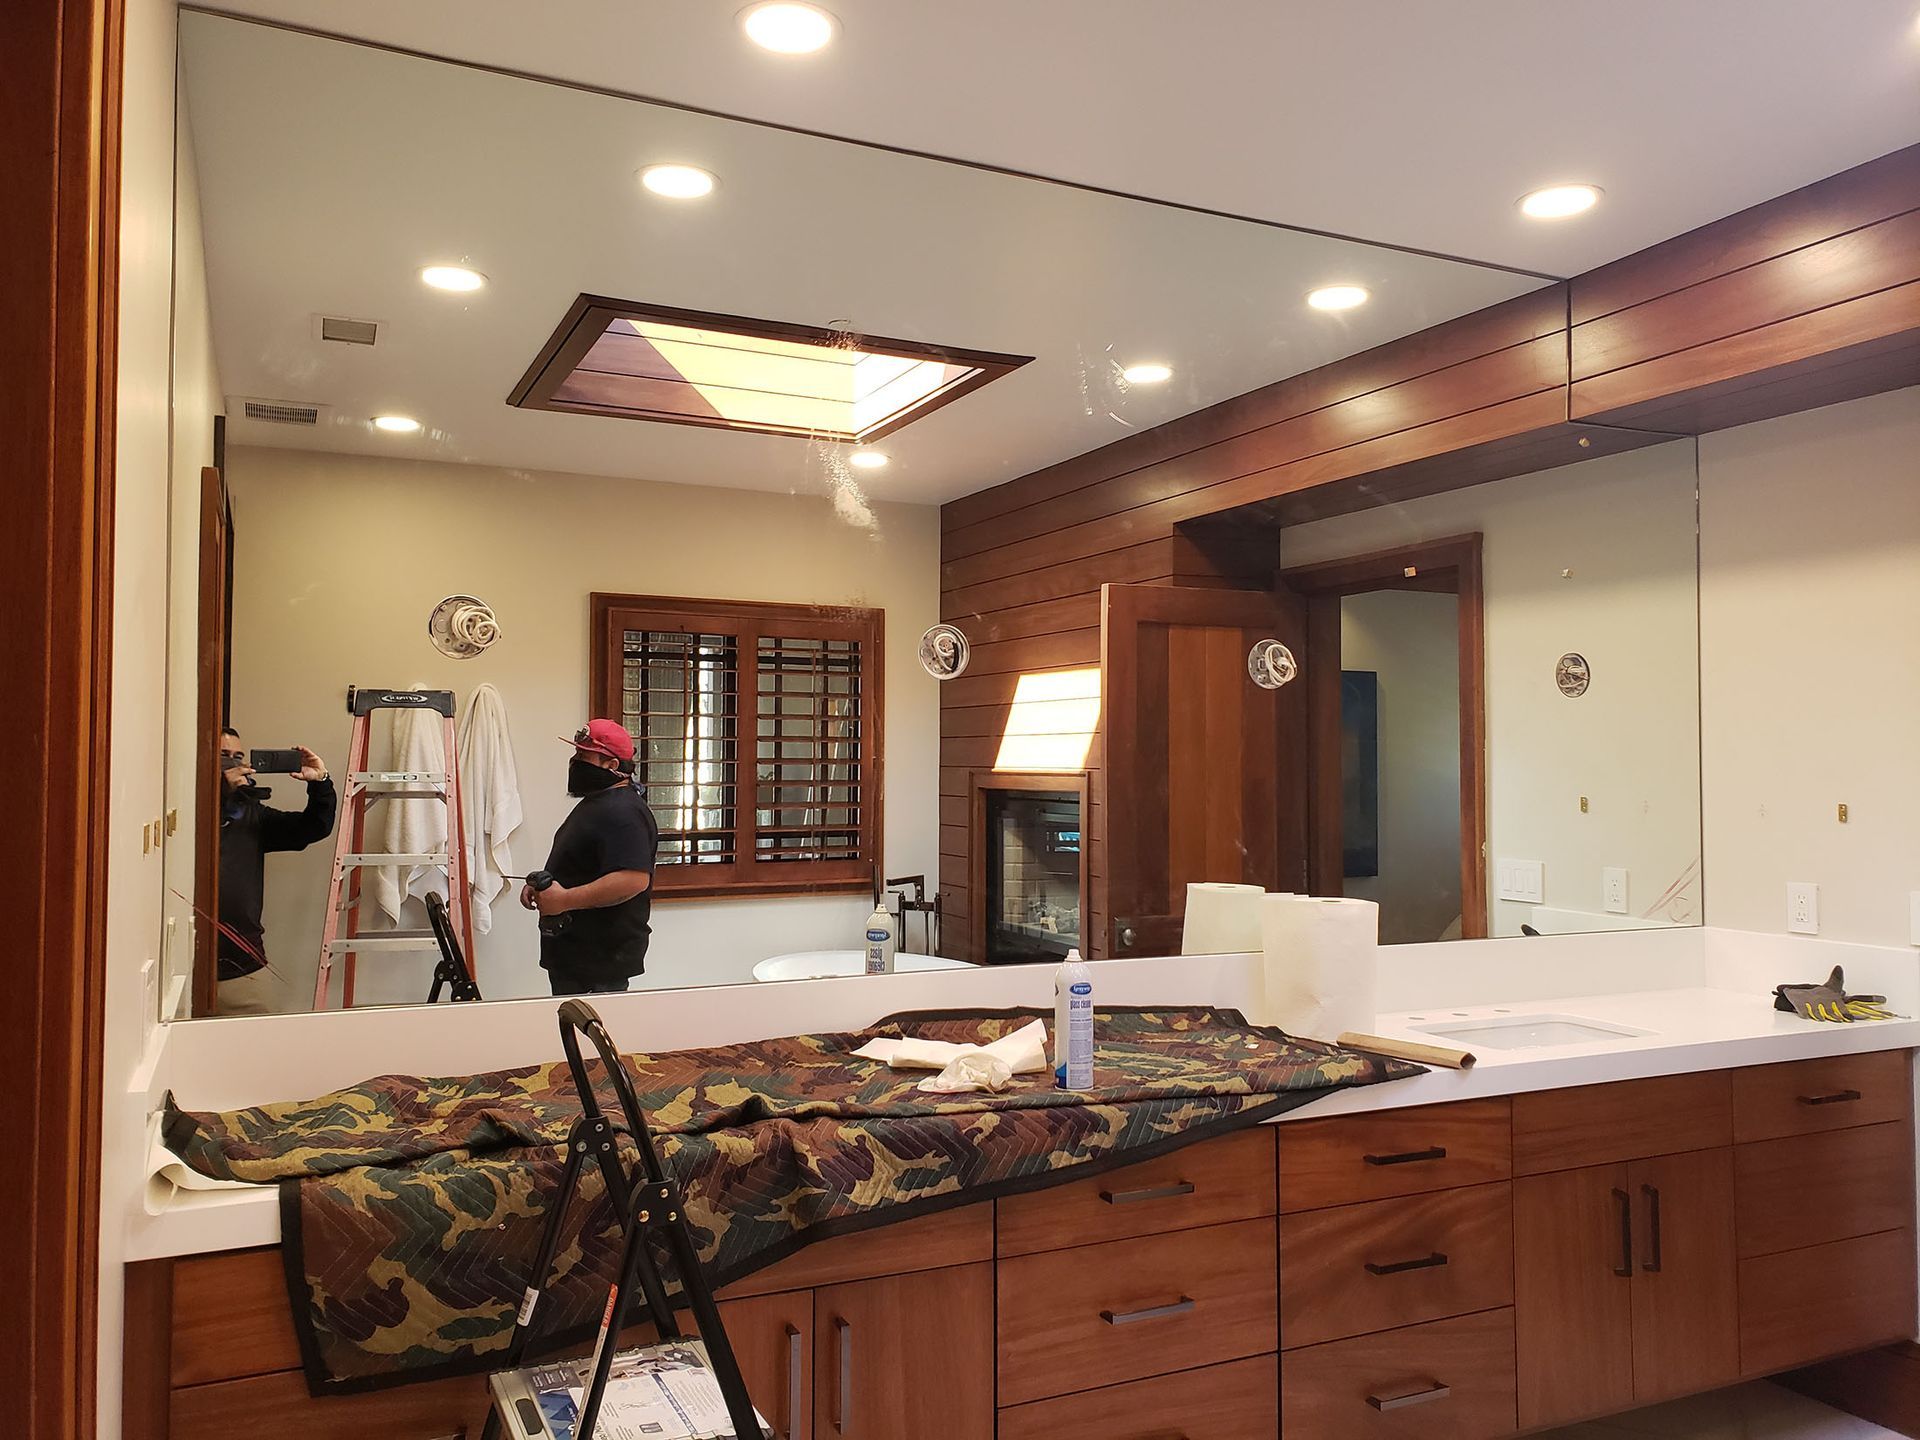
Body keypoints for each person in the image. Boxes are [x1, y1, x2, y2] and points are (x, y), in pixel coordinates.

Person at [522, 719, 658, 996]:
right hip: (577, 956)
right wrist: (545, 884)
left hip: (599, 961)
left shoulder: (624, 812)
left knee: (589, 1024)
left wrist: (563, 900)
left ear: (612, 765)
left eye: (584, 755)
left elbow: (632, 880)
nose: (575, 761)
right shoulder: (599, 803)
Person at [216, 727, 337, 1015]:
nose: (233, 763)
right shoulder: (177, 810)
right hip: (181, 970)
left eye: (238, 757)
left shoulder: (251, 814)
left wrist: (320, 782)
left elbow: (312, 828)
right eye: (223, 756)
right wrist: (220, 793)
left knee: (266, 1039)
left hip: (243, 966)